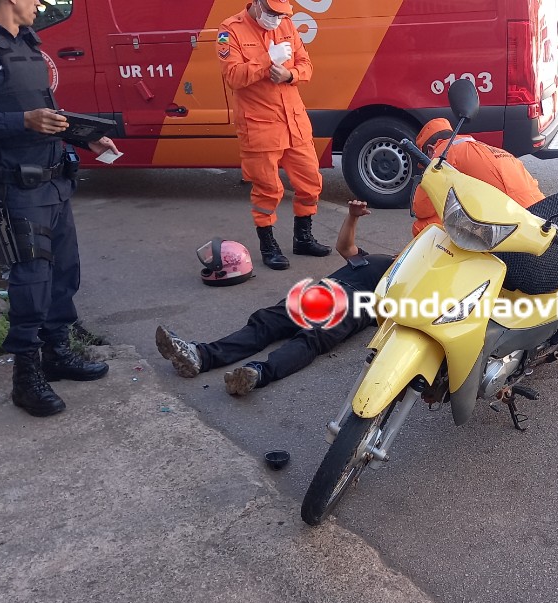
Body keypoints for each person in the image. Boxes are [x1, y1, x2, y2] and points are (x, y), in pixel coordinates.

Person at [0, 0, 120, 418]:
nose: (38, 3)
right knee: (31, 281)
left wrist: (83, 138)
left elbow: (45, 113)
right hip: (17, 188)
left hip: (54, 181)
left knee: (63, 273)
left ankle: (57, 353)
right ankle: (26, 377)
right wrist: (22, 122)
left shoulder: (29, 45)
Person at [156, 201, 394, 396]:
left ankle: (256, 374)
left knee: (311, 337)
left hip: (356, 304)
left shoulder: (411, 276)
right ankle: (199, 356)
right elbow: (345, 247)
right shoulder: (378, 258)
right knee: (265, 322)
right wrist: (353, 216)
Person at [218, 0, 331, 271]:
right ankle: (268, 245)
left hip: (294, 122)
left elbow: (306, 66)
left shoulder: (287, 24)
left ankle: (302, 238)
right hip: (259, 125)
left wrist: (289, 74)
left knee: (311, 182)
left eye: (281, 13)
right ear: (256, 4)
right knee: (267, 190)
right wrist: (268, 60)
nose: (276, 18)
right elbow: (232, 76)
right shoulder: (229, 30)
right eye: (271, 12)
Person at [410, 118, 545, 237]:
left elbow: (422, 209)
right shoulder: (482, 147)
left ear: (429, 149)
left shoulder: (443, 152)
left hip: (512, 220)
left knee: (423, 226)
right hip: (541, 213)